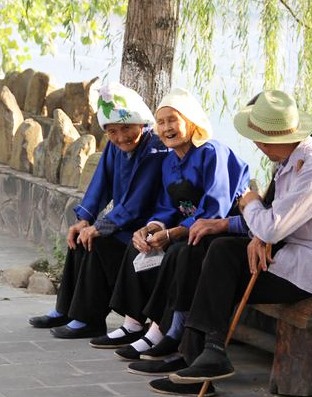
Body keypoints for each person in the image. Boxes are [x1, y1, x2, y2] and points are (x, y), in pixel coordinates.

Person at [147, 90, 312, 396]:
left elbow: (271, 225)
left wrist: (249, 202)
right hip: (294, 253)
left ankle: (206, 352)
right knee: (211, 246)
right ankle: (196, 354)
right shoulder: (289, 162)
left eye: (260, 139)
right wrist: (252, 230)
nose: (256, 146)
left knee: (223, 256)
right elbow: (275, 220)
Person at [88, 88, 251, 359]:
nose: (166, 128)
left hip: (219, 230)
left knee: (177, 252)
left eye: (172, 121)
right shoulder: (170, 161)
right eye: (161, 122)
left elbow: (215, 209)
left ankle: (162, 331)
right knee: (139, 245)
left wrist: (173, 233)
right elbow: (166, 208)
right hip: (190, 227)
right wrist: (152, 227)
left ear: (190, 121)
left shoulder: (212, 153)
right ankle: (134, 323)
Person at [28, 83, 168, 339]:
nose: (121, 136)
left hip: (147, 227)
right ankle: (67, 309)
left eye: (126, 128)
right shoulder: (114, 149)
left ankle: (88, 318)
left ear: (141, 123)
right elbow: (100, 185)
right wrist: (85, 219)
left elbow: (137, 202)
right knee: (78, 239)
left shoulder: (154, 150)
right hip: (125, 224)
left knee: (99, 241)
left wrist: (100, 227)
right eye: (112, 131)